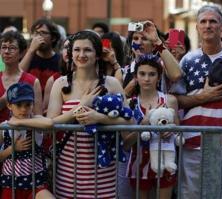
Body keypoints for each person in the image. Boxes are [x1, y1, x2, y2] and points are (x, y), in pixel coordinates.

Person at [47, 30, 132, 199]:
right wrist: (80, 107)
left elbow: (129, 124)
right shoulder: (60, 83)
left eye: (87, 50)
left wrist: (100, 118)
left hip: (104, 176)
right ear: (71, 53)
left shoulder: (112, 83)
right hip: (67, 174)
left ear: (98, 54)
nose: (81, 54)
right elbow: (51, 125)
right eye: (77, 50)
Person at [172, 5, 222, 199]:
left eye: (213, 21)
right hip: (191, 145)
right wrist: (204, 97)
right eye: (203, 21)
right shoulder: (187, 60)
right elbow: (176, 101)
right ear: (197, 27)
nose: (208, 25)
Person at [123, 54, 179, 199]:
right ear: (135, 76)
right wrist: (143, 124)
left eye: (152, 74)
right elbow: (126, 144)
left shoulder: (169, 100)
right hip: (138, 164)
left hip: (165, 162)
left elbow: (179, 133)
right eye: (142, 74)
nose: (147, 79)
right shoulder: (129, 104)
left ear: (159, 77)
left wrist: (171, 131)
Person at [0, 82, 54, 199]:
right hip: (11, 184)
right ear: (9, 105)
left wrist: (20, 122)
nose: (23, 109)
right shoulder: (4, 128)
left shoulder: (36, 122)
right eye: (19, 105)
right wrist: (12, 149)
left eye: (28, 104)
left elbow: (49, 123)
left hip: (37, 184)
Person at [123, 20, 182, 98]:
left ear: (154, 46)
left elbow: (176, 75)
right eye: (135, 38)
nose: (139, 42)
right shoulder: (123, 71)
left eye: (144, 39)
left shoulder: (162, 66)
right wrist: (129, 87)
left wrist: (157, 41)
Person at [0, 31, 42, 123]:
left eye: (12, 48)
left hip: (24, 136)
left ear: (22, 53)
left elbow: (38, 117)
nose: (6, 51)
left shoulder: (33, 81)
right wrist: (4, 99)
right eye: (3, 47)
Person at [19, 18, 61, 95]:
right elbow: (18, 76)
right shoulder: (27, 56)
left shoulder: (60, 60)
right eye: (36, 33)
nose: (38, 36)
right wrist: (31, 50)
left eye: (43, 33)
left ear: (53, 38)